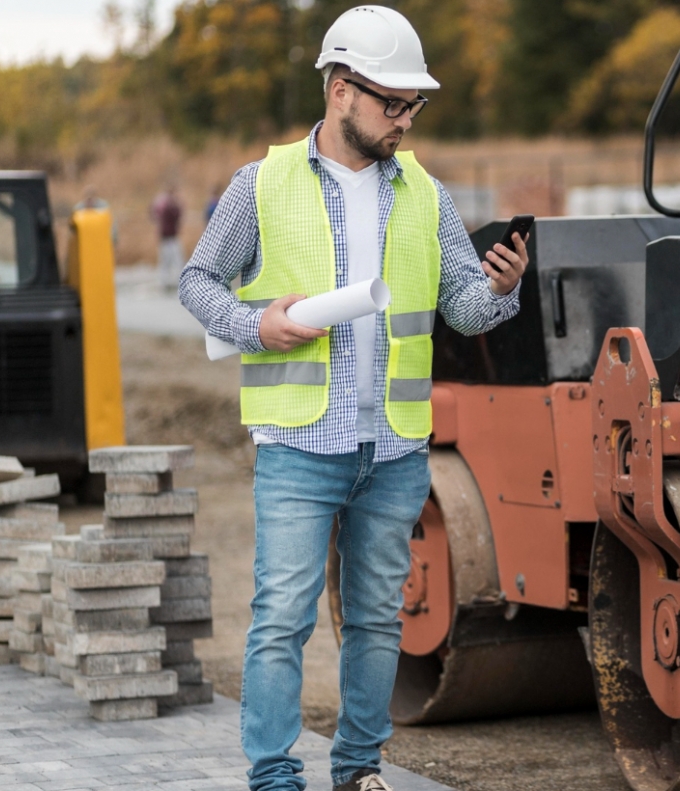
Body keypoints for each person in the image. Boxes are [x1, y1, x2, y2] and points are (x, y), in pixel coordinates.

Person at [178, 6, 529, 791]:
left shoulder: (425, 194)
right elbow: (196, 280)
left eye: (414, 106)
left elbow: (460, 308)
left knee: (376, 621)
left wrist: (499, 288)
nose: (405, 119)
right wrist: (253, 324)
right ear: (340, 91)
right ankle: (274, 777)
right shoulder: (260, 183)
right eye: (392, 103)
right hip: (299, 442)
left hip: (395, 447)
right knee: (281, 621)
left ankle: (358, 770)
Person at [150, 185, 183, 291]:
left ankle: (166, 281)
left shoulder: (161, 204)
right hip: (168, 237)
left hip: (168, 236)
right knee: (171, 260)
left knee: (170, 261)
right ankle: (166, 282)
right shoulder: (167, 205)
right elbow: (177, 214)